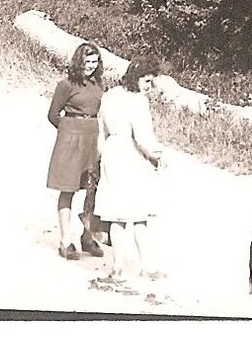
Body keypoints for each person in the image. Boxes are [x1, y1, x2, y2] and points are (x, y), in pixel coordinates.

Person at [95, 55, 166, 287]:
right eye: (147, 81)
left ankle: (117, 268)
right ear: (136, 78)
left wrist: (100, 157)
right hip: (131, 156)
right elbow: (143, 138)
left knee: (116, 215)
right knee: (139, 215)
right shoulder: (138, 102)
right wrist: (157, 156)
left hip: (111, 154)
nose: (149, 87)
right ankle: (147, 267)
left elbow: (101, 130)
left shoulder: (110, 95)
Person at [46, 41, 106, 260]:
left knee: (93, 189)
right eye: (86, 61)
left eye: (94, 61)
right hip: (71, 139)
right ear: (78, 61)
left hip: (93, 137)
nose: (90, 66)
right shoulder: (66, 85)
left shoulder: (98, 84)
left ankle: (87, 237)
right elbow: (53, 115)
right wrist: (68, 133)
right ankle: (65, 240)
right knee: (68, 189)